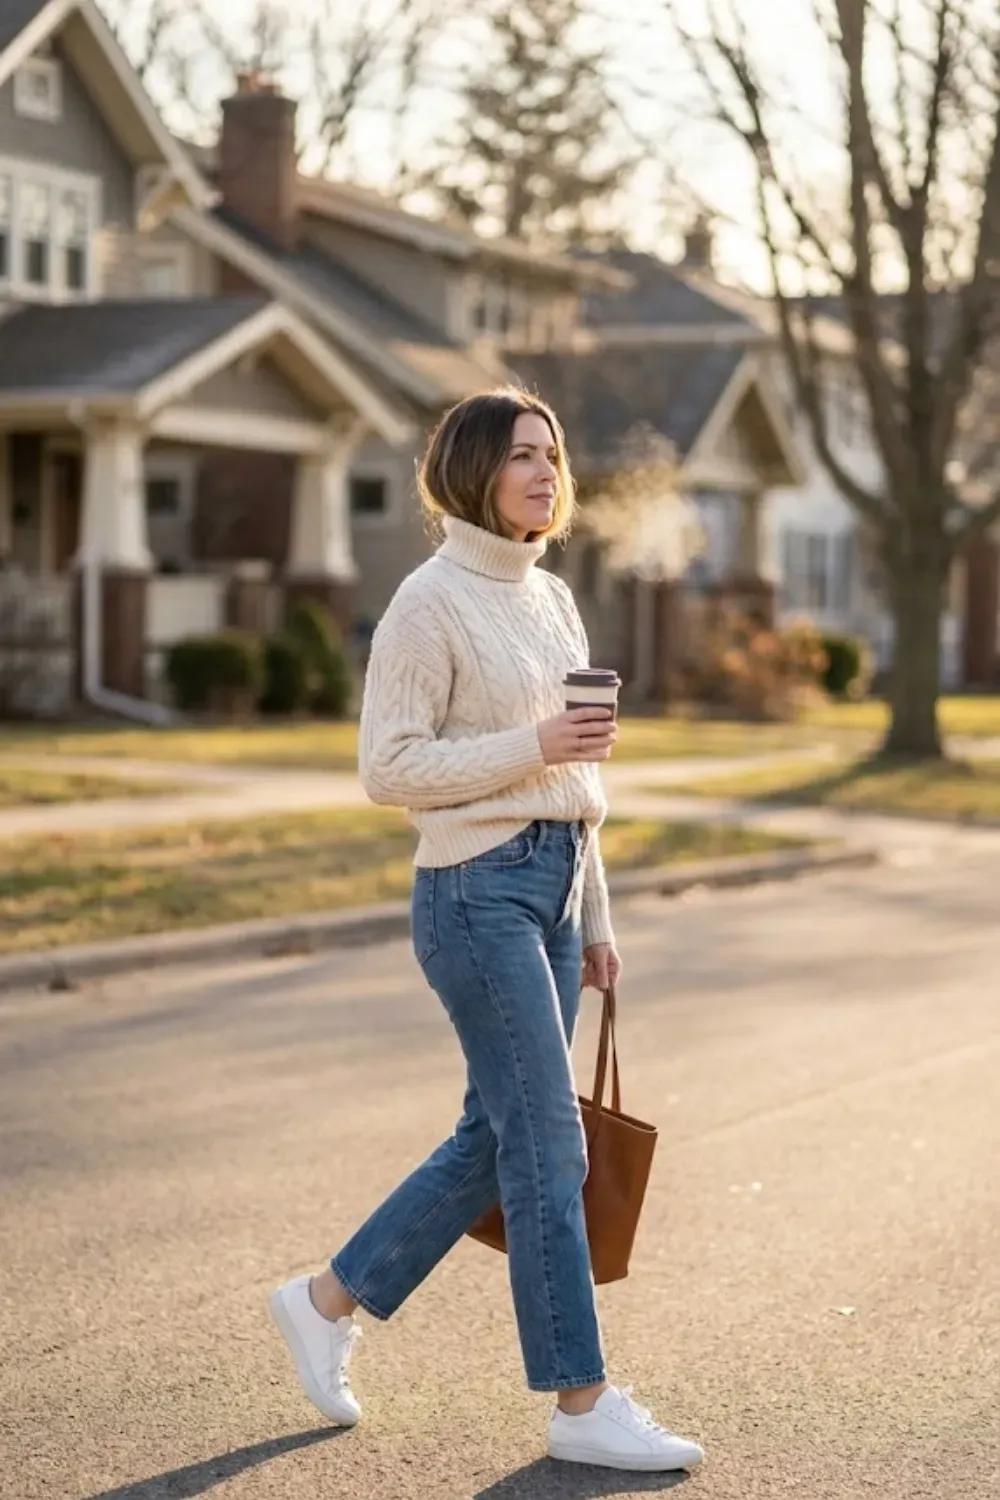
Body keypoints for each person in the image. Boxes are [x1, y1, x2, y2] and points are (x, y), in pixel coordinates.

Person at [268, 388, 704, 1474]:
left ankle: (323, 1303)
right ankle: (580, 1400)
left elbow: (576, 777)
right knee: (546, 1142)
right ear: (472, 471)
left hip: (553, 887)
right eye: (524, 456)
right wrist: (534, 738)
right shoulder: (426, 602)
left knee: (492, 1139)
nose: (548, 473)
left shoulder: (553, 600)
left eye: (555, 455)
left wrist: (595, 914)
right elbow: (390, 768)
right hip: (472, 893)